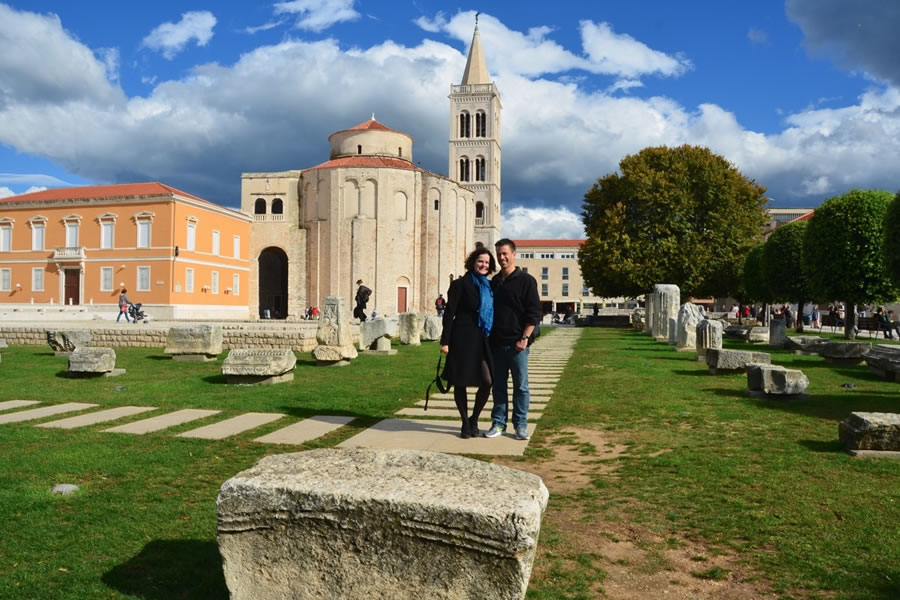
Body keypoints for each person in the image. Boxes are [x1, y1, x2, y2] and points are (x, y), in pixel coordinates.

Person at [484, 239, 542, 441]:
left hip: (518, 344)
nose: (502, 257)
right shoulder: (494, 282)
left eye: (505, 254)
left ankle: (520, 425)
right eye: (499, 254)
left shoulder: (526, 280)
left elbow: (534, 313)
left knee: (521, 386)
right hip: (497, 343)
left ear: (514, 254)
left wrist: (524, 337)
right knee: (498, 386)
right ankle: (498, 423)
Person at [439, 247, 496, 439]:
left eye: (487, 263)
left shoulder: (489, 286)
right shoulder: (459, 284)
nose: (484, 265)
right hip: (462, 337)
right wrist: (445, 341)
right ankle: (464, 421)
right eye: (480, 261)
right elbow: (449, 313)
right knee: (460, 382)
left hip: (483, 339)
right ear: (473, 262)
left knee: (488, 380)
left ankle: (474, 419)